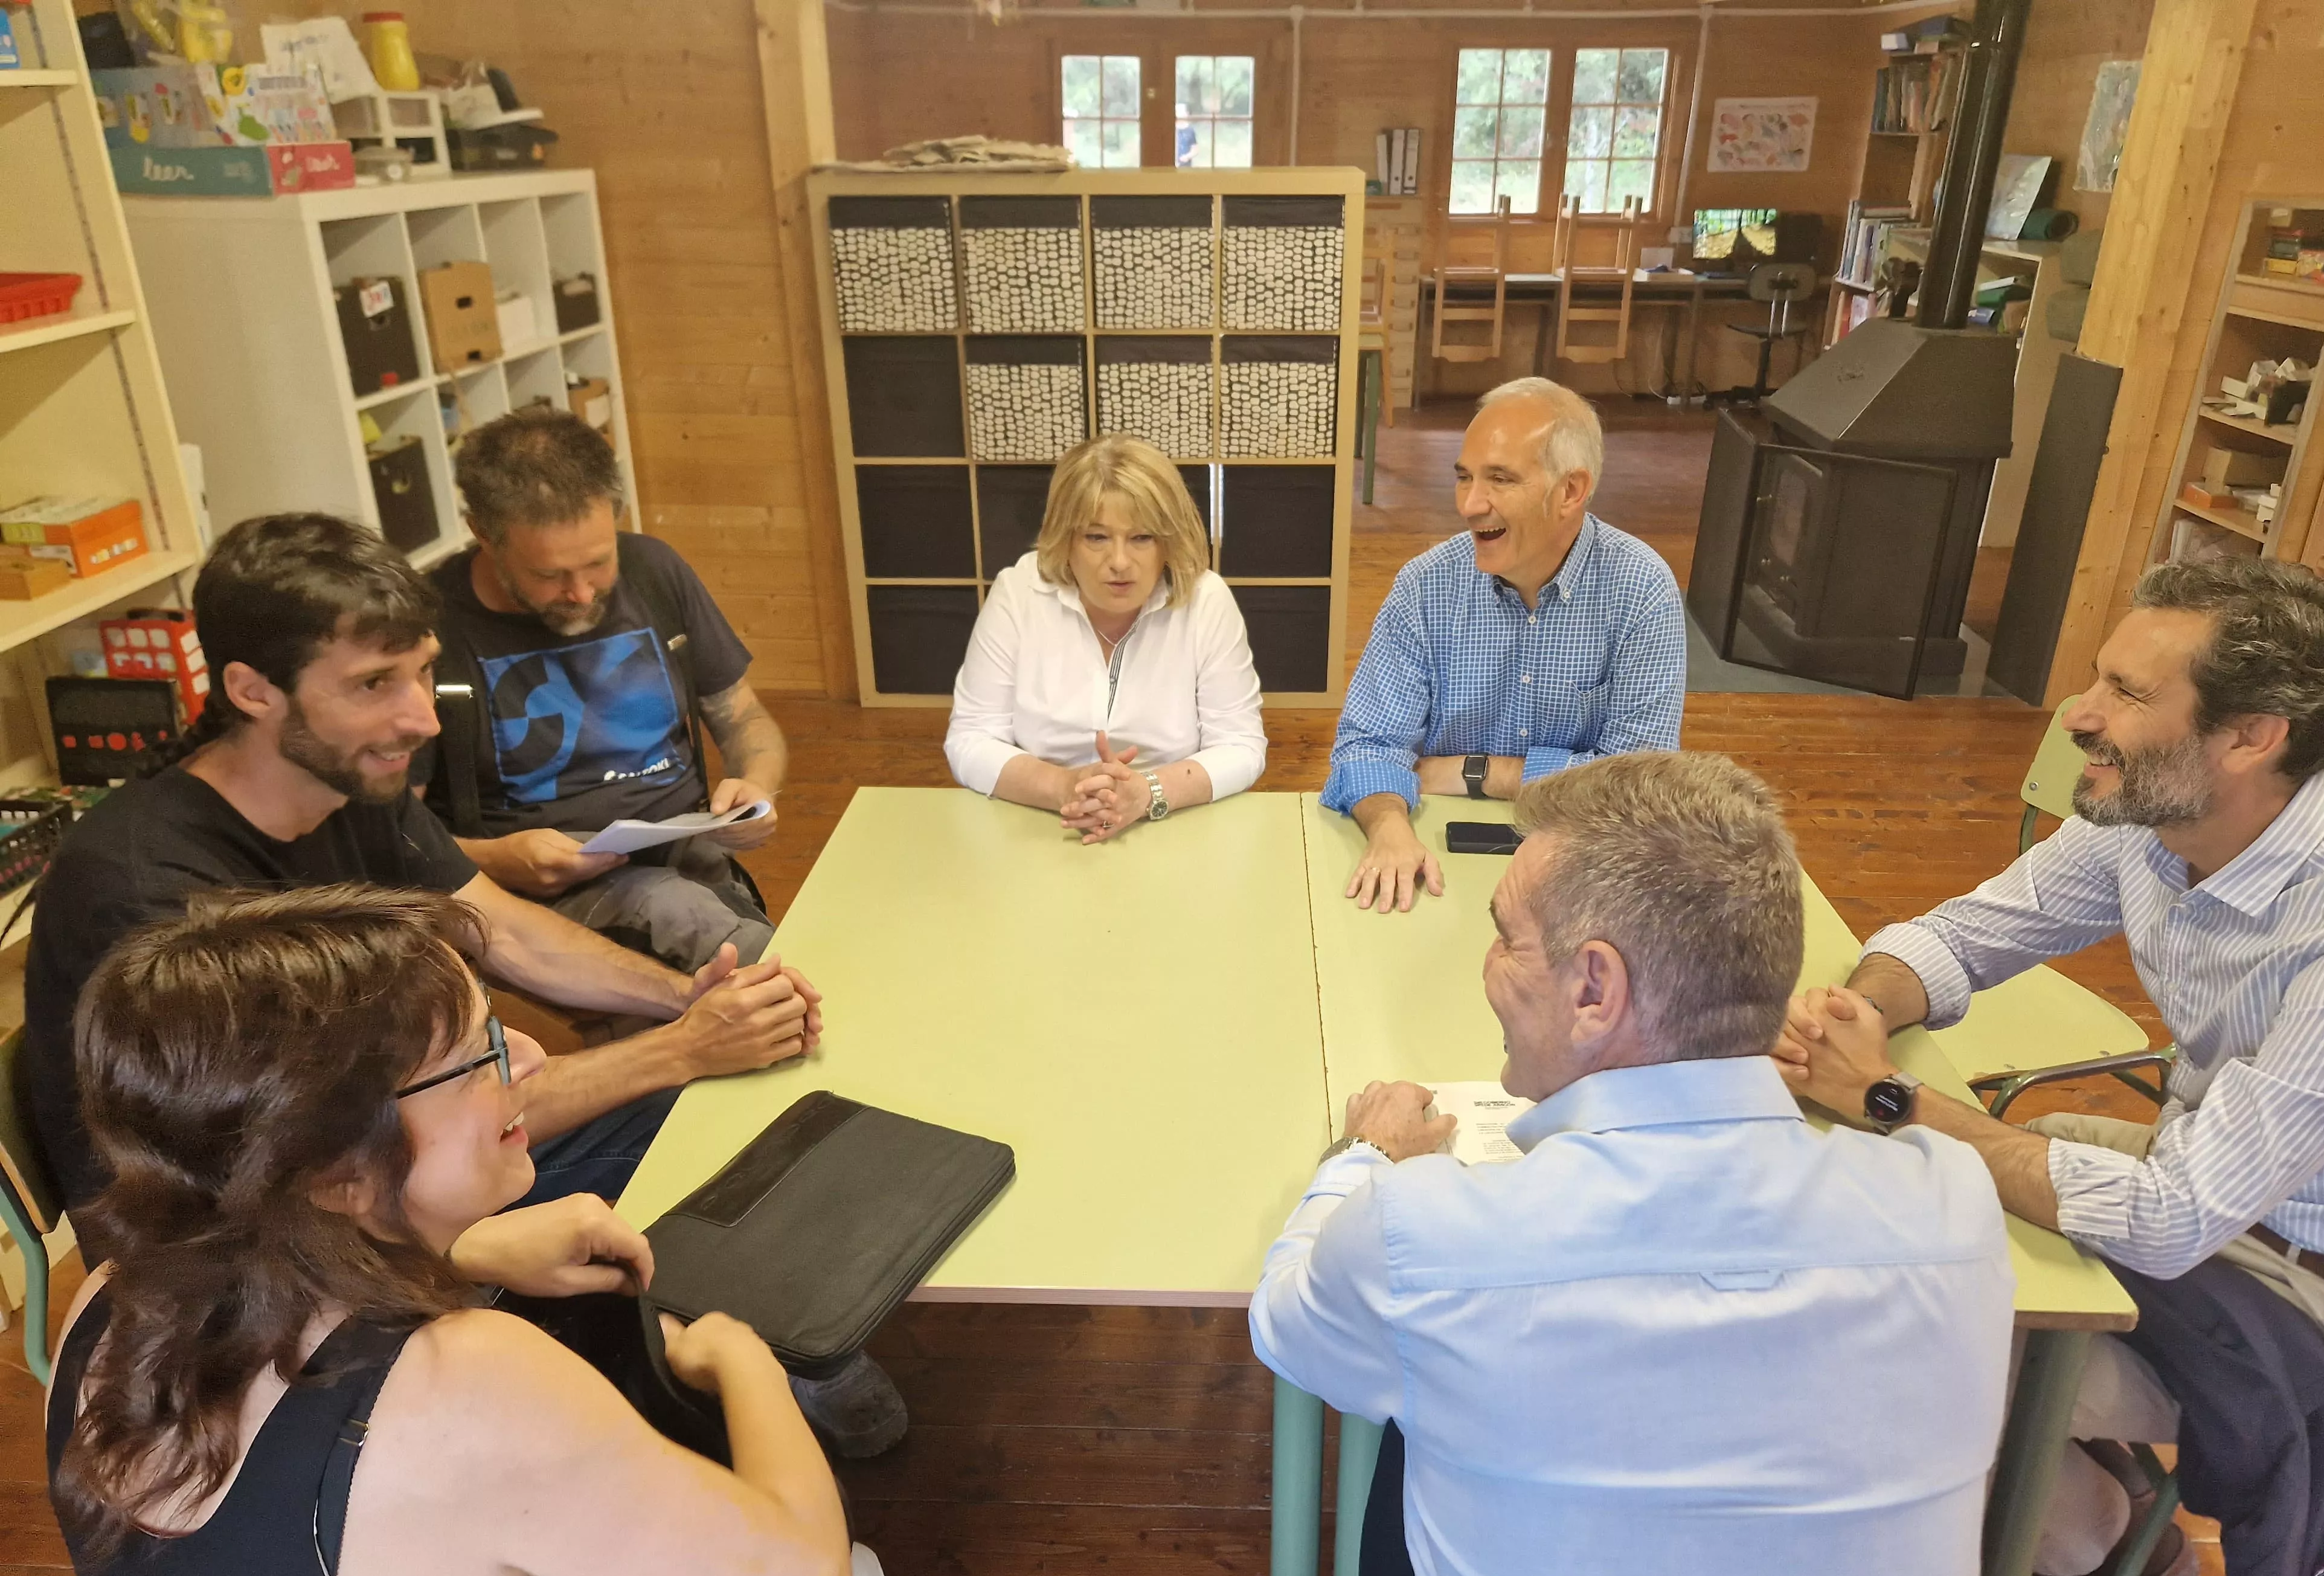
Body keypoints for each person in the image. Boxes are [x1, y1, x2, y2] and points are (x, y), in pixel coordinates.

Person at [24, 514, 907, 1458]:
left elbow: (507, 930)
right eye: (374, 685)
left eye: (419, 671)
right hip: (256, 1261)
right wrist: (682, 1047)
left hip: (382, 1161)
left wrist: (685, 1001)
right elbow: (366, 1153)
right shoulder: (155, 892)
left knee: (713, 1086)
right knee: (681, 1097)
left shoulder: (347, 792)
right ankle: (723, 1367)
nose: (421, 717)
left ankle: (759, 1339)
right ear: (250, 690)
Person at [1252, 751, 2014, 1576]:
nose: (1486, 964)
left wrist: (1367, 1164)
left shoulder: (1424, 1238)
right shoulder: (1955, 1207)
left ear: (1595, 988)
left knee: (1398, 1434)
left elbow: (1285, 1324)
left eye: (1506, 936)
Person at [46, 886, 897, 1576]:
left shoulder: (103, 1309)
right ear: (335, 1168)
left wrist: (467, 1247)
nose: (529, 1058)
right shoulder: (461, 1386)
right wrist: (745, 1361)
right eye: (483, 1052)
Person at [1777, 556, 2324, 1576]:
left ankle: (2097, 1542)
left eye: (2127, 693)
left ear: (2250, 738)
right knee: (1881, 1214)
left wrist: (1888, 1099)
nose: (2081, 716)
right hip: (2220, 1190)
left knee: (1924, 1330)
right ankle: (2070, 1487)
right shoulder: (2156, 817)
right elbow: (1967, 935)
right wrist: (1858, 1009)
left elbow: (2171, 1219)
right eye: (2098, 679)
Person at [426, 408, 788, 971]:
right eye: (549, 575)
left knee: (732, 932)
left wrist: (758, 788)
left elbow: (743, 717)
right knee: (702, 930)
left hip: (686, 846)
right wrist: (492, 859)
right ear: (483, 535)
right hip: (537, 892)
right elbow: (388, 830)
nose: (579, 592)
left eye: (598, 563)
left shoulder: (654, 571)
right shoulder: (427, 627)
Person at [1321, 376, 1686, 914]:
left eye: (1500, 479)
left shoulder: (1641, 590)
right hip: (1435, 863)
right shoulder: (1427, 585)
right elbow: (1366, 746)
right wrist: (1390, 826)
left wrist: (1480, 772)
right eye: (1464, 477)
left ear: (1571, 491)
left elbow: (1639, 787)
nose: (1470, 505)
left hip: (1583, 874)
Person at [945, 434, 1266, 843]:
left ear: (1169, 543)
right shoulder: (1018, 593)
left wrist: (1147, 792)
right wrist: (1065, 787)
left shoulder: (1207, 600)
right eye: (1096, 538)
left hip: (1174, 823)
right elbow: (970, 739)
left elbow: (1242, 746)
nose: (1119, 562)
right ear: (1065, 540)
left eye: (1142, 538)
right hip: (1038, 823)